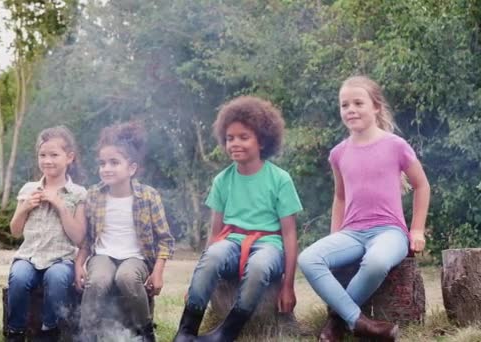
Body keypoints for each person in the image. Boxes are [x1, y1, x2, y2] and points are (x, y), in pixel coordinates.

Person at [297, 76, 431, 341]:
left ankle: (336, 321)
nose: (351, 109)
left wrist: (416, 230)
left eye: (358, 103)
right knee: (308, 259)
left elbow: (422, 186)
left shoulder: (396, 145)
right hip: (352, 233)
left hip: (389, 232)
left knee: (376, 261)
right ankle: (360, 324)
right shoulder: (338, 153)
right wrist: (334, 234)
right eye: (344, 104)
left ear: (376, 107)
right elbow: (340, 197)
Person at [173, 96, 303, 342]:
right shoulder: (222, 180)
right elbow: (214, 233)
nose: (235, 143)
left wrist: (288, 285)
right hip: (232, 241)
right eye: (230, 138)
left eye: (244, 137)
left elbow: (289, 234)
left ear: (262, 140)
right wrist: (198, 284)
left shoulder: (280, 179)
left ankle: (226, 332)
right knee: (213, 256)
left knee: (259, 266)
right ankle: (186, 330)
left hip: (269, 245)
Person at [76, 121, 174, 342]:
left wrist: (157, 271)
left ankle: (145, 331)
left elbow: (165, 240)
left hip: (135, 257)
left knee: (127, 278)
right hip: (102, 255)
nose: (106, 168)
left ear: (131, 168)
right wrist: (78, 263)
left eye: (114, 162)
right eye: (102, 163)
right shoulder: (94, 195)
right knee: (99, 280)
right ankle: (87, 333)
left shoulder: (149, 196)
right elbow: (87, 238)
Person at [6, 126, 87, 342]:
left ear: (69, 157)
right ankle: (15, 331)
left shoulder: (78, 193)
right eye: (43, 155)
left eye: (54, 155)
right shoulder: (28, 189)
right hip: (29, 256)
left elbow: (79, 238)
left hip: (62, 258)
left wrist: (60, 205)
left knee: (57, 278)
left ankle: (49, 331)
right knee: (19, 278)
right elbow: (14, 231)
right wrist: (25, 207)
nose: (47, 160)